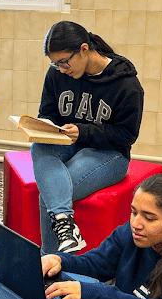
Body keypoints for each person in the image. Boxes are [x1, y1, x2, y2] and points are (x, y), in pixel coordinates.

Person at [32, 21, 144, 255]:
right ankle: (65, 228)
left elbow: (126, 135)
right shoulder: (56, 74)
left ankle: (50, 265)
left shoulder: (126, 84)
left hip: (110, 154)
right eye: (55, 63)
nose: (61, 69)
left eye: (64, 62)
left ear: (84, 49)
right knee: (38, 146)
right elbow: (48, 113)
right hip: (67, 143)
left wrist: (84, 132)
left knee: (50, 194)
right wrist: (45, 127)